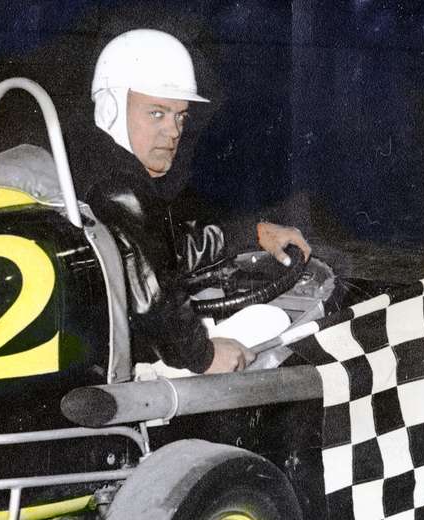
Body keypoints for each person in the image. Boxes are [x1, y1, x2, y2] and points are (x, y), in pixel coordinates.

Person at [71, 28, 311, 374]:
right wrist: (205, 356)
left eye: (180, 116)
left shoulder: (87, 158)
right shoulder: (118, 186)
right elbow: (150, 291)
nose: (173, 131)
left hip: (100, 346)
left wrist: (254, 231)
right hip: (123, 366)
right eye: (157, 113)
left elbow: (162, 249)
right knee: (272, 320)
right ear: (111, 106)